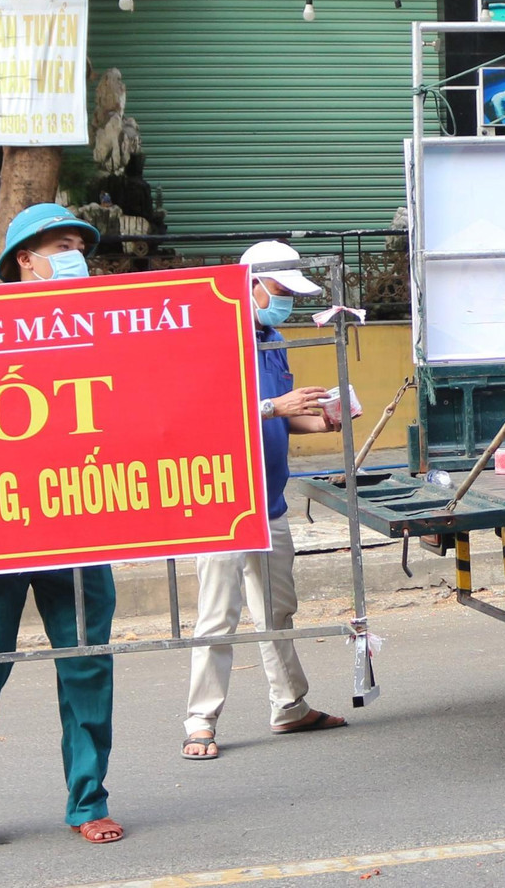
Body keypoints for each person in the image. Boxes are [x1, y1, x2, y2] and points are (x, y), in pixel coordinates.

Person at [0, 203, 124, 846]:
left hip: (78, 521)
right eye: (62, 247)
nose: (76, 258)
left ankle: (88, 800)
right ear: (24, 259)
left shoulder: (104, 327)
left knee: (87, 665)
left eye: (81, 249)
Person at [181, 240, 348, 760]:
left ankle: (290, 705)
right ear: (248, 284)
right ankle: (200, 721)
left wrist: (320, 418)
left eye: (291, 294)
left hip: (269, 501)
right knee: (218, 617)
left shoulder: (273, 340)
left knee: (277, 611)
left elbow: (281, 416)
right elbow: (200, 413)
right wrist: (276, 405)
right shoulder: (212, 337)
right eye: (279, 290)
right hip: (224, 502)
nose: (286, 302)